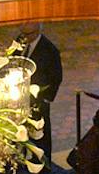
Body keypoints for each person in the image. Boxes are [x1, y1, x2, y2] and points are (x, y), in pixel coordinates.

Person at [16, 25, 64, 160]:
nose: (25, 37)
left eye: (28, 34)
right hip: (20, 98)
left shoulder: (50, 50)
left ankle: (43, 163)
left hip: (38, 100)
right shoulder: (21, 41)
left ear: (37, 31)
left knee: (41, 134)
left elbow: (56, 76)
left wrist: (46, 98)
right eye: (23, 33)